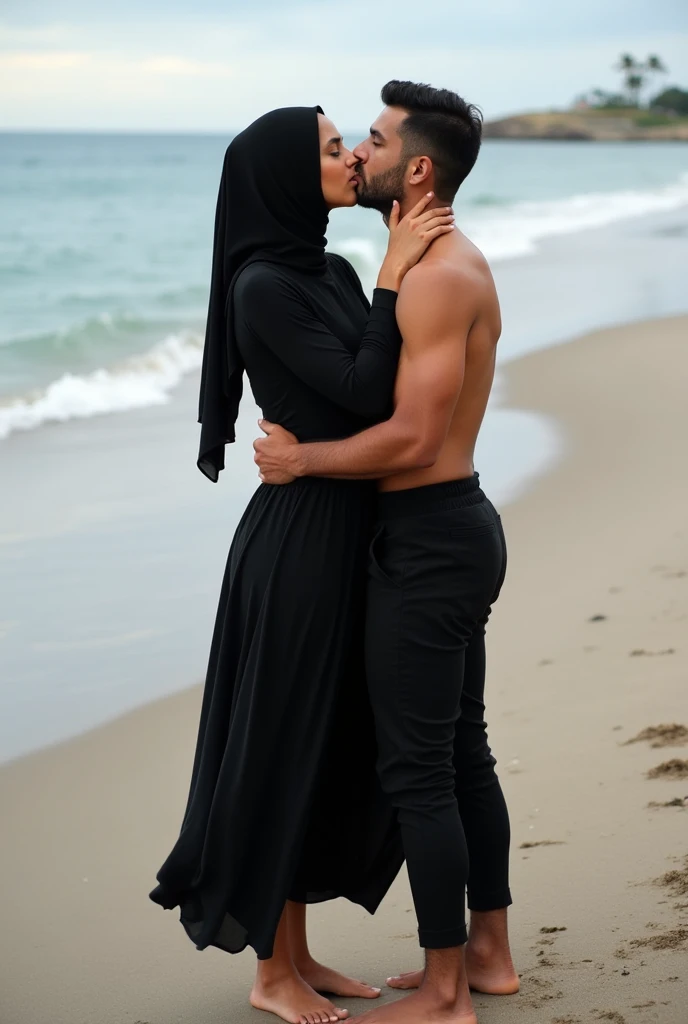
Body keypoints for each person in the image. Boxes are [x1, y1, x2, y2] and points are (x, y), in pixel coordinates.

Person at [149, 104, 455, 1024]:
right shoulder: (259, 289)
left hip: (348, 521)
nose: (349, 158)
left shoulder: (329, 266)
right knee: (278, 745)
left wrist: (388, 284)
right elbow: (363, 386)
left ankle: (303, 954)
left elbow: (381, 389)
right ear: (286, 176)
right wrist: (398, 279)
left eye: (346, 144)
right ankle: (269, 972)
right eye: (330, 149)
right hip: (298, 542)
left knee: (320, 745)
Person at [254, 81, 519, 1024]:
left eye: (369, 139)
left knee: (419, 769)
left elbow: (410, 437)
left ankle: (447, 993)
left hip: (431, 535)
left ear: (415, 168)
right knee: (459, 750)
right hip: (449, 528)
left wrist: (300, 459)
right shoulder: (431, 262)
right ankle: (486, 955)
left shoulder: (442, 274)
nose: (356, 154)